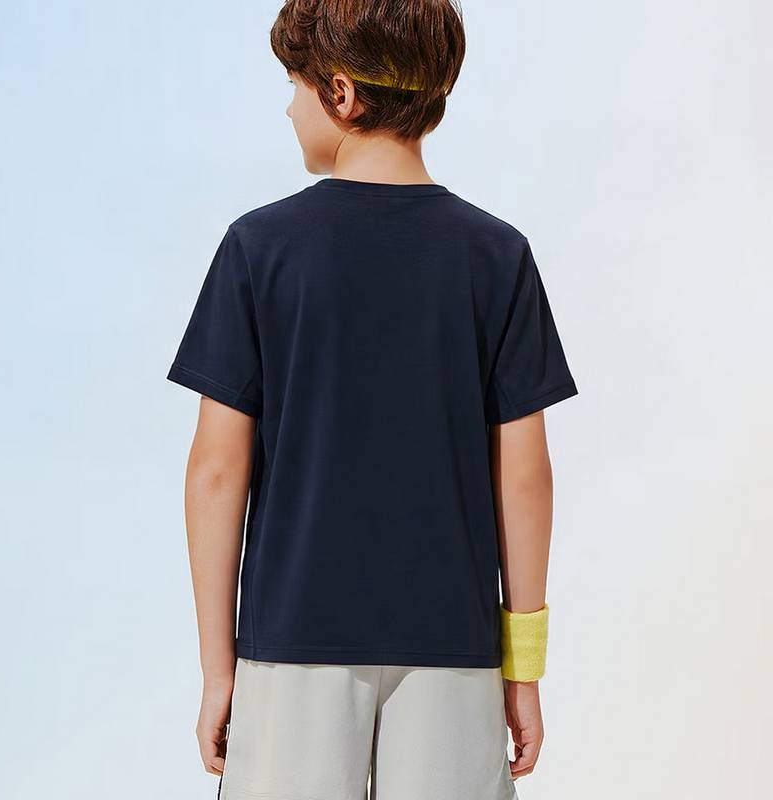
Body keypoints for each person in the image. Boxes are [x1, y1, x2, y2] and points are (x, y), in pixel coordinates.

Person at [166, 1, 577, 798]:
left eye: (294, 86)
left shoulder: (259, 249)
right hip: (454, 650)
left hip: (291, 648)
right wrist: (521, 672)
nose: (289, 110)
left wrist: (220, 671)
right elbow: (525, 477)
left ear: (342, 93)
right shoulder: (498, 256)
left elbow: (215, 473)